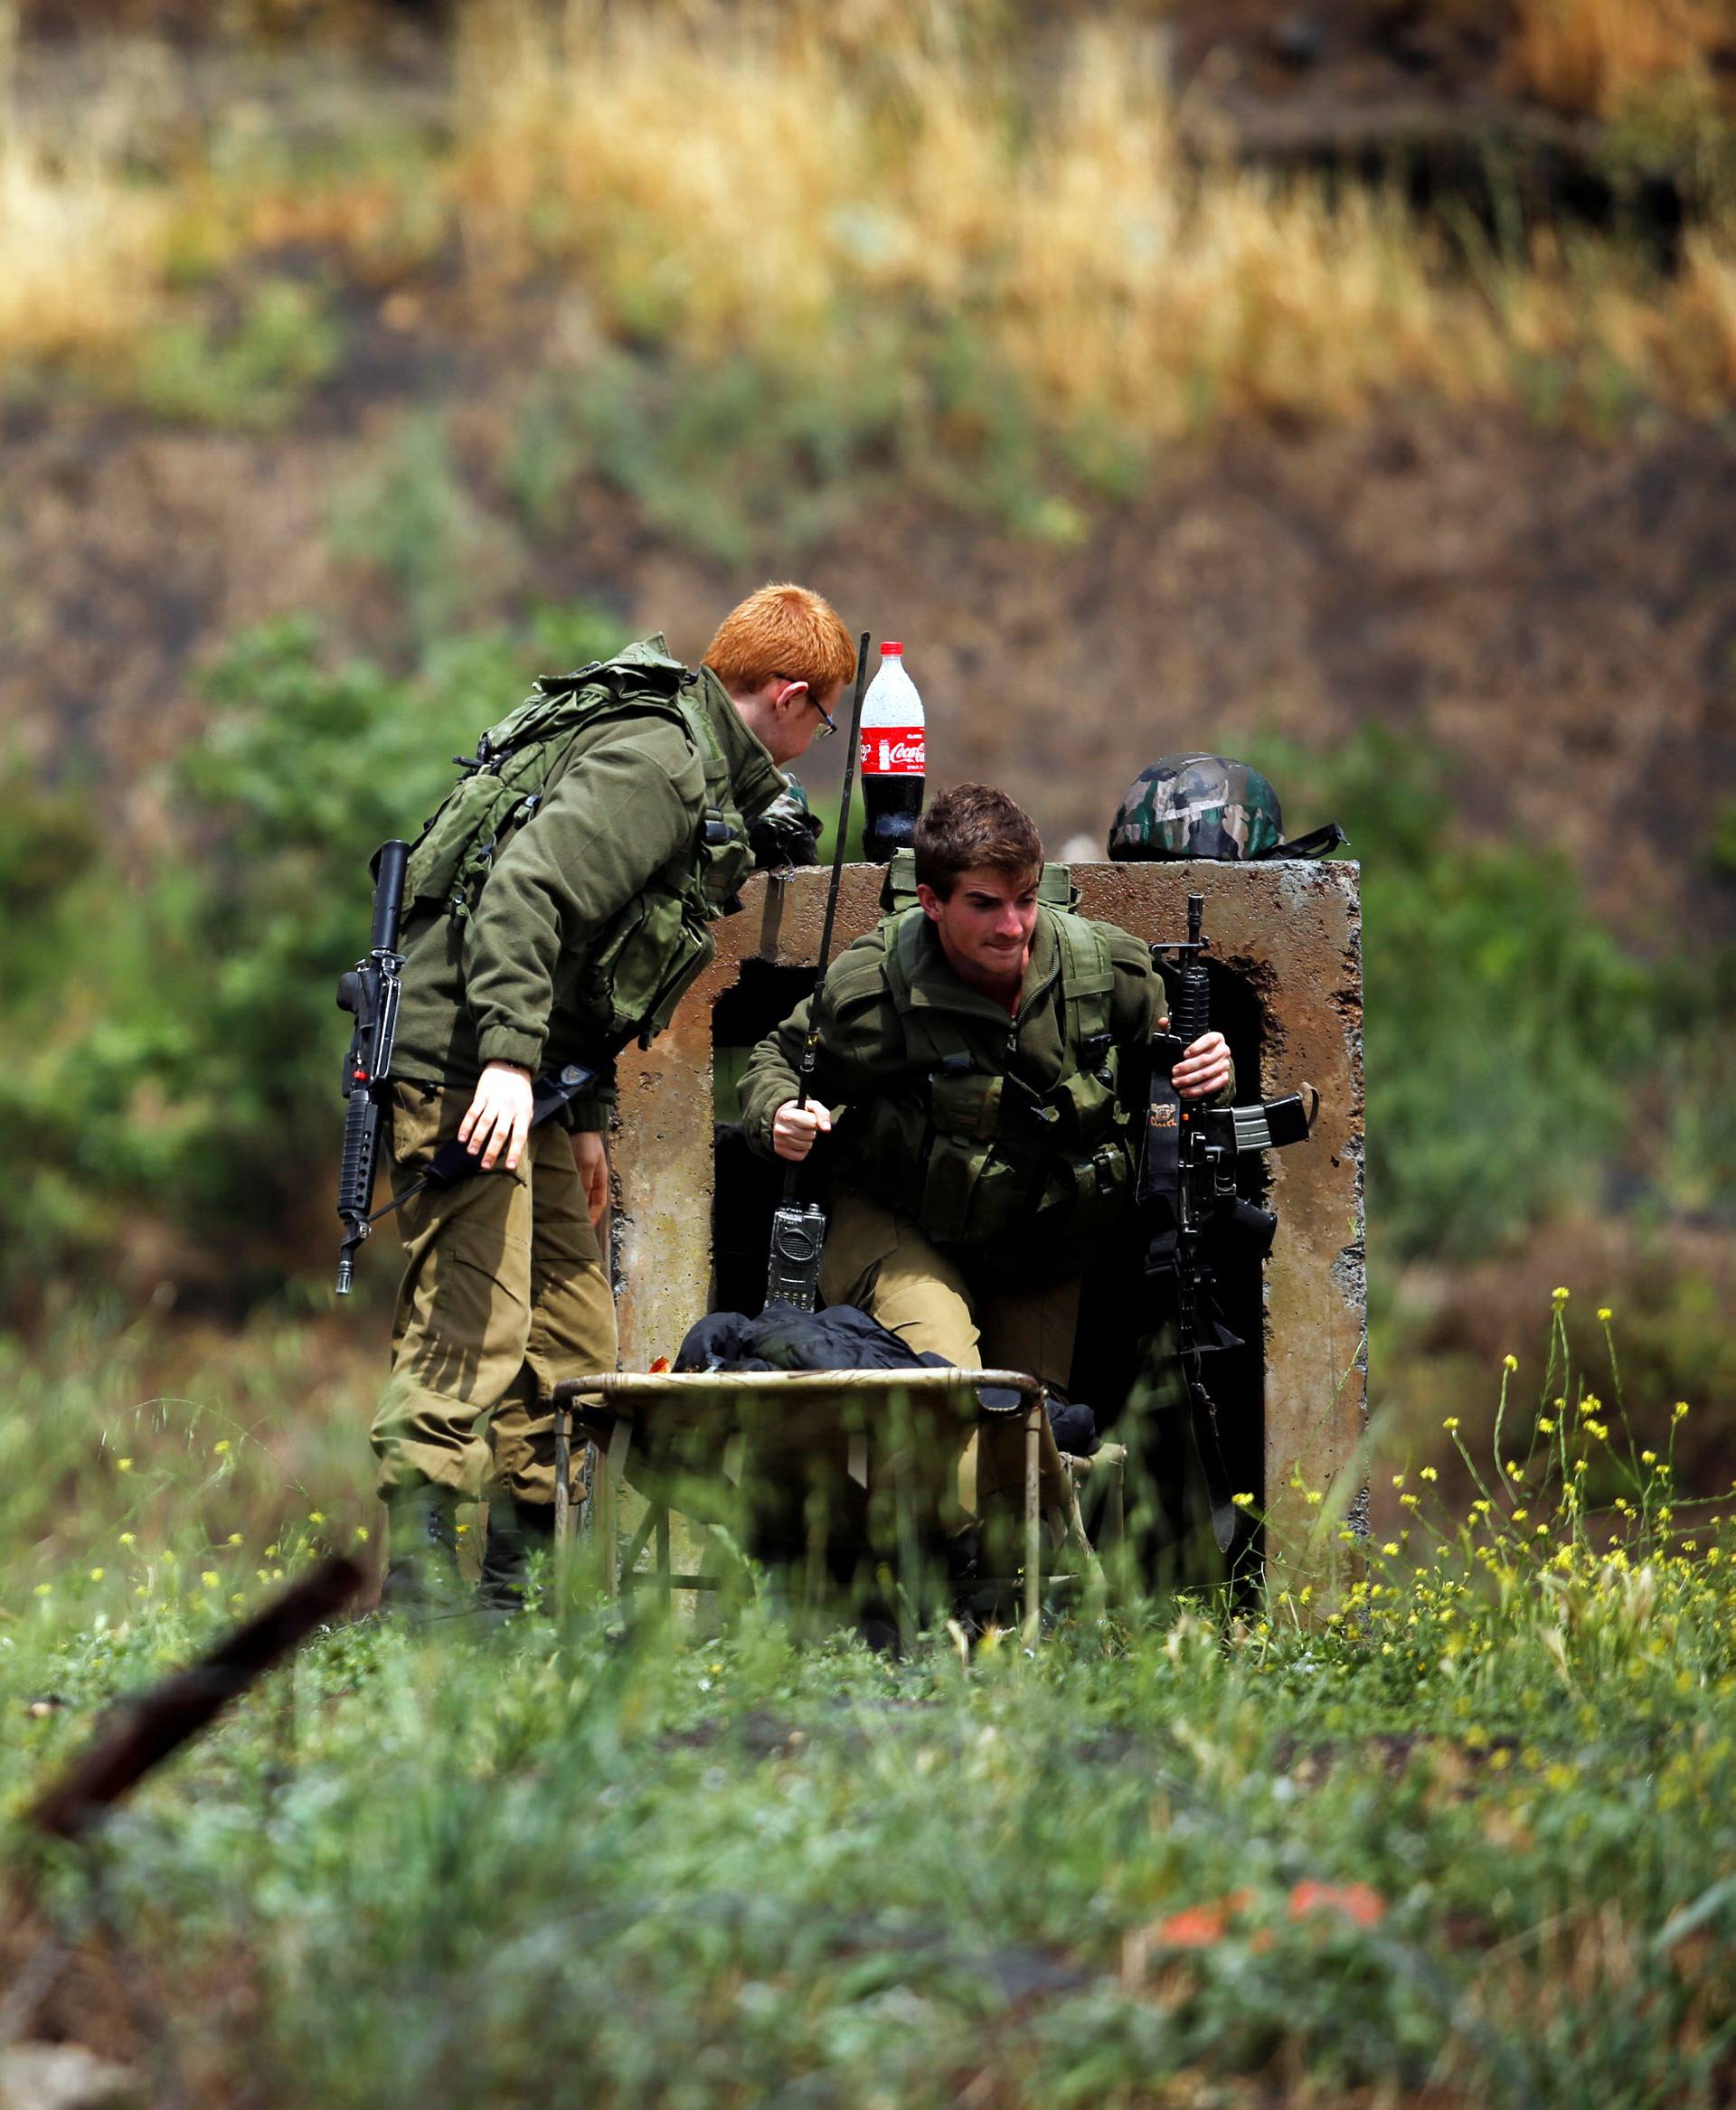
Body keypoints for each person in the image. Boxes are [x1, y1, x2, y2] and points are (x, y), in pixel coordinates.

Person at [373, 583, 856, 1615]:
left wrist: (582, 1121)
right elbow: (525, 896)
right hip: (469, 1059)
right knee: (476, 1318)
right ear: (791, 694)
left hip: (534, 1078)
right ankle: (418, 1599)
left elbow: (595, 964)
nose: (820, 737)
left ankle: (521, 1585)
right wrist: (507, 1061)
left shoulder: (701, 771)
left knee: (570, 1333)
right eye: (824, 714)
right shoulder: (662, 763)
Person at [738, 782, 1231, 1553]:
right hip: (901, 1218)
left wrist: (1209, 1065)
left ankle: (997, 1621)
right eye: (984, 905)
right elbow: (774, 1058)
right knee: (946, 1398)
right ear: (930, 902)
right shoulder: (873, 987)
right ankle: (875, 1594)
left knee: (1025, 1452)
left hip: (1040, 1240)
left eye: (1026, 900)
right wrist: (781, 1114)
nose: (1013, 927)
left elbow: (1175, 1053)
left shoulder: (1103, 970)